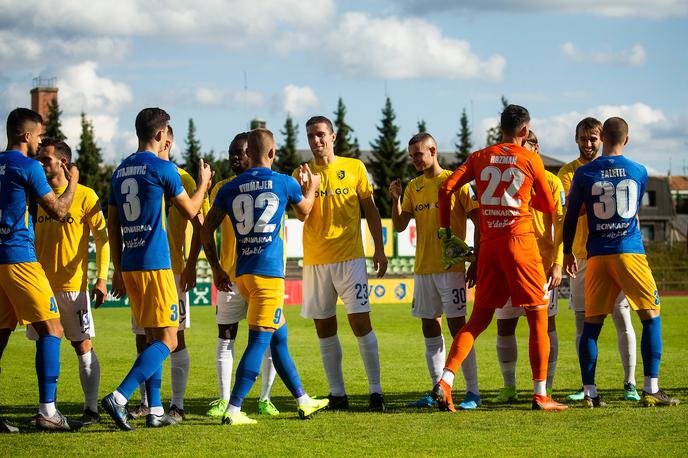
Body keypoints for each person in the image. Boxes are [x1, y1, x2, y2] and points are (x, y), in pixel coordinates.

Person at [432, 104, 567, 411]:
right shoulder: (529, 157)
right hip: (520, 243)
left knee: (478, 320)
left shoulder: (480, 157)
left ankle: (446, 381)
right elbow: (546, 206)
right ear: (524, 131)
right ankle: (540, 394)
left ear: (500, 127)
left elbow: (447, 188)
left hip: (489, 245)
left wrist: (444, 230)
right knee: (537, 318)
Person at [201, 128, 329, 425]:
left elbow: (206, 230)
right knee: (258, 343)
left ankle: (302, 399)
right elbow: (305, 213)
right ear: (271, 153)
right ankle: (234, 409)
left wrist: (217, 268)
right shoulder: (284, 182)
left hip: (242, 274)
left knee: (279, 338)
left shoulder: (229, 188)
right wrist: (312, 187)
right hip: (269, 276)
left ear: (249, 153)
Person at [101, 107, 212, 430]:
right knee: (169, 339)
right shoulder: (162, 168)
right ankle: (120, 397)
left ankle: (156, 410)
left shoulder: (119, 171)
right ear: (162, 135)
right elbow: (192, 209)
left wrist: (118, 269)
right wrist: (203, 182)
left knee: (152, 338)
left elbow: (113, 223)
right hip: (155, 264)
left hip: (131, 264)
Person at [563, 117, 679, 408]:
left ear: (602, 139)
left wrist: (566, 252)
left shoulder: (585, 173)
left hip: (598, 255)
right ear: (626, 140)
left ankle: (590, 392)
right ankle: (650, 388)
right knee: (650, 317)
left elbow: (571, 215)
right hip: (629, 252)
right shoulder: (639, 171)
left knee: (591, 326)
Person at [296, 115, 387, 412]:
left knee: (361, 325)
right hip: (316, 261)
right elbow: (302, 215)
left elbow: (371, 210)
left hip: (350, 260)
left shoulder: (355, 167)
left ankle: (376, 392)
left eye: (321, 134)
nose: (315, 140)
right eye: (310, 136)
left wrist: (380, 249)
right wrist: (307, 188)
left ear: (333, 137)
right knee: (324, 329)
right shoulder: (303, 174)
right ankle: (338, 395)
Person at [0, 108, 82, 431]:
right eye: (37, 136)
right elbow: (61, 211)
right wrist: (73, 180)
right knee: (52, 328)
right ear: (26, 136)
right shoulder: (29, 166)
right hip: (19, 256)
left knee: (2, 334)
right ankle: (47, 411)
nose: (38, 142)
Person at [389, 132, 481, 409]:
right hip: (423, 268)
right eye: (412, 155)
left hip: (450, 268)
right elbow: (399, 225)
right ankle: (437, 389)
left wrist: (476, 259)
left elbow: (479, 220)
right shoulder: (413, 187)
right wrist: (395, 198)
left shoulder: (457, 181)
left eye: (419, 153)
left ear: (433, 150)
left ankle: (473, 392)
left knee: (458, 328)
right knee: (429, 326)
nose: (415, 159)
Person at [127, 125, 207, 422]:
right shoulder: (141, 171)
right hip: (146, 267)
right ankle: (150, 403)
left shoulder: (181, 177)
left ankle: (177, 404)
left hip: (171, 270)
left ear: (167, 141)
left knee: (175, 338)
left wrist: (190, 265)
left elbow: (199, 225)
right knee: (143, 337)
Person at [28, 138, 109, 425]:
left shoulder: (85, 195)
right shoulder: (35, 194)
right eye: (38, 159)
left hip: (74, 287)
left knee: (82, 345)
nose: (40, 164)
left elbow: (102, 239)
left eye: (45, 159)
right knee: (43, 344)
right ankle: (47, 408)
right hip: (39, 285)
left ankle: (91, 409)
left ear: (63, 162)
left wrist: (101, 278)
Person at [558, 117, 639, 401]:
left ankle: (630, 383)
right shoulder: (569, 172)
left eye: (593, 138)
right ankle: (586, 386)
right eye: (583, 138)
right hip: (581, 258)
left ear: (602, 138)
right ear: (576, 139)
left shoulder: (611, 170)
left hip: (614, 252)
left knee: (622, 318)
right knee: (583, 323)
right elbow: (571, 211)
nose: (588, 143)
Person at [206, 132, 279, 418]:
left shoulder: (273, 183)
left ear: (255, 152)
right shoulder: (223, 188)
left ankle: (265, 397)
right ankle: (225, 399)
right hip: (230, 278)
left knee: (267, 338)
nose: (234, 158)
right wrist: (215, 267)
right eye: (231, 153)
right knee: (226, 337)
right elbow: (207, 229)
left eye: (240, 152)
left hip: (264, 276)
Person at [493, 131, 563, 402]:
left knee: (547, 327)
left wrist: (557, 263)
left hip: (542, 267)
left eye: (527, 145)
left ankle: (548, 385)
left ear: (536, 147)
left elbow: (561, 225)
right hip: (509, 264)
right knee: (505, 325)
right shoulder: (508, 178)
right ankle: (509, 386)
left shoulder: (552, 182)